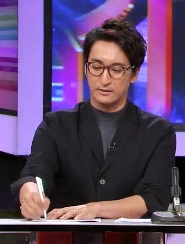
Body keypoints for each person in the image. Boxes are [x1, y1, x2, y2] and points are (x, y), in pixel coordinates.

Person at [12, 18, 176, 220]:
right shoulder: (56, 125)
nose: (104, 79)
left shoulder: (157, 132)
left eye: (116, 70)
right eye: (96, 67)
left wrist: (95, 209)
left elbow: (154, 197)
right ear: (85, 68)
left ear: (134, 73)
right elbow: (35, 174)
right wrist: (30, 193)